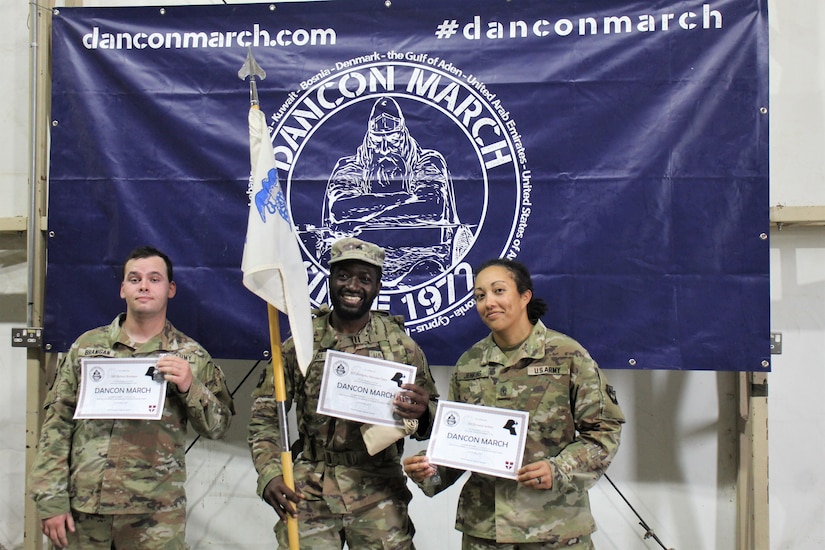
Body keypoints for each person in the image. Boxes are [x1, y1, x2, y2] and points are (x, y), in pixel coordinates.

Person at [404, 258, 625, 549]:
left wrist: (559, 468)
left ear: (524, 296)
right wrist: (430, 470)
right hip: (486, 531)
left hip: (554, 529)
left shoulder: (568, 356)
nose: (488, 303)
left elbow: (603, 432)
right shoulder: (469, 365)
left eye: (498, 291)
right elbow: (461, 447)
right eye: (480, 296)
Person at [28, 245, 235, 549]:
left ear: (171, 289)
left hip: (156, 516)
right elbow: (56, 426)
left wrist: (191, 387)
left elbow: (219, 427)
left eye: (154, 279)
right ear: (122, 288)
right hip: (85, 509)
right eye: (135, 279)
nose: (144, 286)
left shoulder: (190, 356)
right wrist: (50, 500)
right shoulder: (86, 348)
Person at [248, 236, 439, 549]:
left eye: (365, 279)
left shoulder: (401, 348)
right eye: (343, 276)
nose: (353, 286)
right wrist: (269, 473)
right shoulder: (301, 343)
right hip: (310, 489)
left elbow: (431, 418)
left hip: (379, 489)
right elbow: (265, 417)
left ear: (377, 287)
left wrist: (423, 413)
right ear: (330, 280)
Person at [319, 96, 473, 285]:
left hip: (422, 260)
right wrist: (404, 198)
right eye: (378, 143)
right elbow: (340, 209)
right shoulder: (350, 166)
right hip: (357, 262)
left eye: (391, 142)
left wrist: (361, 215)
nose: (384, 151)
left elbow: (431, 208)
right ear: (369, 138)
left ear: (403, 136)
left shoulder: (428, 161)